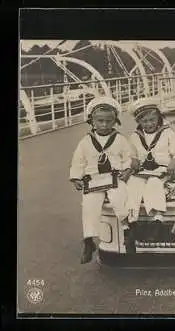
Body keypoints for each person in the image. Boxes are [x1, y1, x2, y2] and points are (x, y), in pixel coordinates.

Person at [69, 97, 135, 264]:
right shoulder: (85, 142)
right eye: (100, 121)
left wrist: (127, 169)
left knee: (119, 198)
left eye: (108, 121)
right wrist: (76, 177)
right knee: (89, 206)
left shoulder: (120, 139)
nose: (104, 125)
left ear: (115, 121)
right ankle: (89, 240)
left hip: (114, 176)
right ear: (92, 121)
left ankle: (127, 231)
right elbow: (78, 161)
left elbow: (128, 156)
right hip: (93, 180)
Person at [125, 97, 175, 253]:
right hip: (142, 170)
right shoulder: (135, 136)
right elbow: (130, 155)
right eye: (145, 121)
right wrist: (132, 160)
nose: (149, 124)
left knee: (154, 183)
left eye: (152, 120)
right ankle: (131, 225)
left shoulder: (167, 133)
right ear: (139, 122)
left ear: (158, 117)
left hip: (162, 170)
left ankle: (157, 221)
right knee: (132, 184)